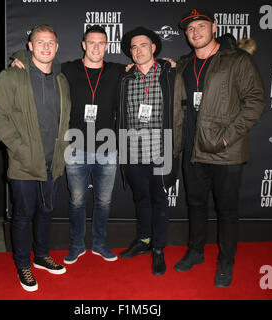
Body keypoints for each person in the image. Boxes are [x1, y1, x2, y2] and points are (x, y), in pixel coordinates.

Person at [11, 25, 125, 264]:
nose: (96, 47)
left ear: (107, 46)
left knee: (104, 202)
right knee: (77, 201)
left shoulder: (118, 70)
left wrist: (166, 63)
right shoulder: (68, 69)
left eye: (101, 43)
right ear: (83, 44)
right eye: (91, 42)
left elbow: (142, 63)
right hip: (75, 148)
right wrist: (19, 59)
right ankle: (76, 245)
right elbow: (39, 61)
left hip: (108, 148)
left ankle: (100, 244)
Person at [172, 9, 266, 288]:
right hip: (192, 149)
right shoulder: (184, 64)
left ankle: (226, 261)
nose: (195, 32)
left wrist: (227, 138)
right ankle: (196, 251)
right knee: (195, 204)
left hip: (226, 152)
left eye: (201, 26)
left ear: (213, 27)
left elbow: (255, 102)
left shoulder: (237, 60)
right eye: (190, 29)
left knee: (226, 210)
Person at [0, 24, 71, 292]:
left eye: (51, 42)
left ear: (57, 47)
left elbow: (64, 119)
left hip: (53, 161)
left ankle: (41, 255)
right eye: (40, 42)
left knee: (46, 211)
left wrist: (63, 149)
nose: (46, 47)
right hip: (24, 162)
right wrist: (19, 148)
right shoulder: (11, 76)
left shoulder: (61, 79)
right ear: (30, 46)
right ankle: (23, 263)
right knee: (24, 215)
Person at [118, 27, 178, 276]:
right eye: (133, 47)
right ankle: (143, 241)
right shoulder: (125, 78)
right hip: (132, 151)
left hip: (160, 150)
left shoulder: (170, 73)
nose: (137, 50)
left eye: (143, 45)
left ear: (153, 48)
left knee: (159, 200)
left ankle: (158, 249)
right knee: (140, 199)